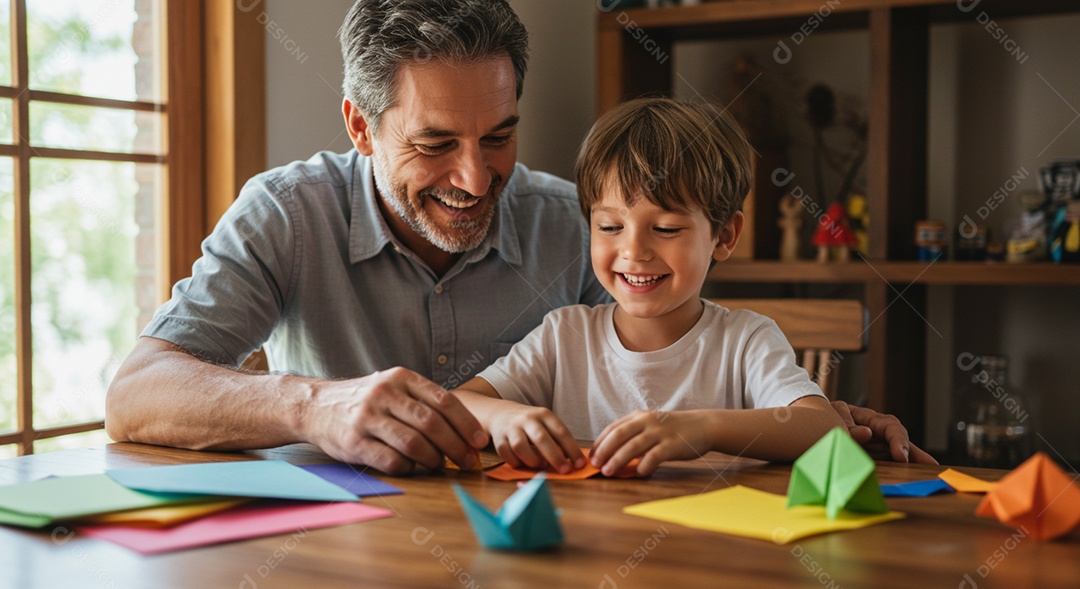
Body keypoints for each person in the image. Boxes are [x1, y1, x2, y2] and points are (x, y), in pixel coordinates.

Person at [105, 0, 933, 475]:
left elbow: (643, 362)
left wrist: (811, 415)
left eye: (499, 135)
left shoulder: (574, 220)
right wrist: (316, 405)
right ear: (360, 125)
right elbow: (134, 395)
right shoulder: (287, 212)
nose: (474, 178)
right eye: (435, 144)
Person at [453, 98, 844, 476]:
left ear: (724, 236)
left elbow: (824, 428)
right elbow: (457, 403)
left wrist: (702, 429)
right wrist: (505, 414)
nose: (634, 250)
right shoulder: (565, 334)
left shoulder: (745, 340)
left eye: (666, 229)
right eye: (610, 227)